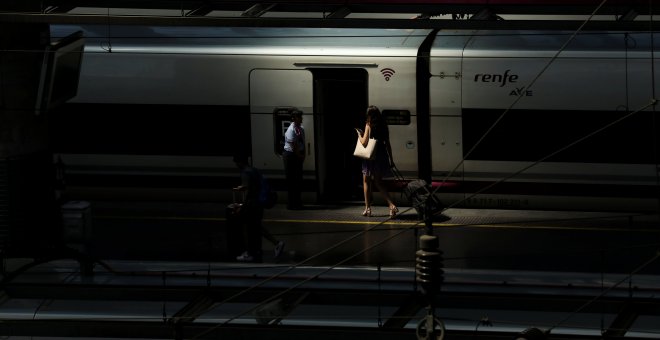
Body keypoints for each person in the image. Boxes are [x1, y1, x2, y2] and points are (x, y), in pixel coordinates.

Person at [232, 155, 285, 262]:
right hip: (259, 204)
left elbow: (248, 192)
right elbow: (254, 186)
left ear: (240, 162)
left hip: (252, 204)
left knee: (249, 229)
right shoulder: (254, 170)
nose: (236, 165)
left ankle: (250, 253)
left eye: (236, 163)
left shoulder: (245, 173)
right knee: (257, 228)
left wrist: (241, 207)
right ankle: (275, 244)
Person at [358, 105, 398, 218]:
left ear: (369, 115)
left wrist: (359, 135)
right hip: (382, 156)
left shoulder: (368, 125)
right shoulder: (384, 126)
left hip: (370, 156)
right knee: (378, 182)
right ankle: (391, 205)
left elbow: (364, 142)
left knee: (366, 181)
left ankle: (368, 209)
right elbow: (388, 144)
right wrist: (391, 159)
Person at [282, 109, 305, 210]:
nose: (301, 118)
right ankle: (291, 204)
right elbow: (293, 145)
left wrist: (302, 154)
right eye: (299, 117)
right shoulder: (291, 130)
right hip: (291, 156)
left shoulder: (300, 128)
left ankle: (297, 202)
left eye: (300, 116)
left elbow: (301, 142)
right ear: (293, 118)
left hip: (297, 155)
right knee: (292, 180)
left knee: (298, 180)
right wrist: (300, 155)